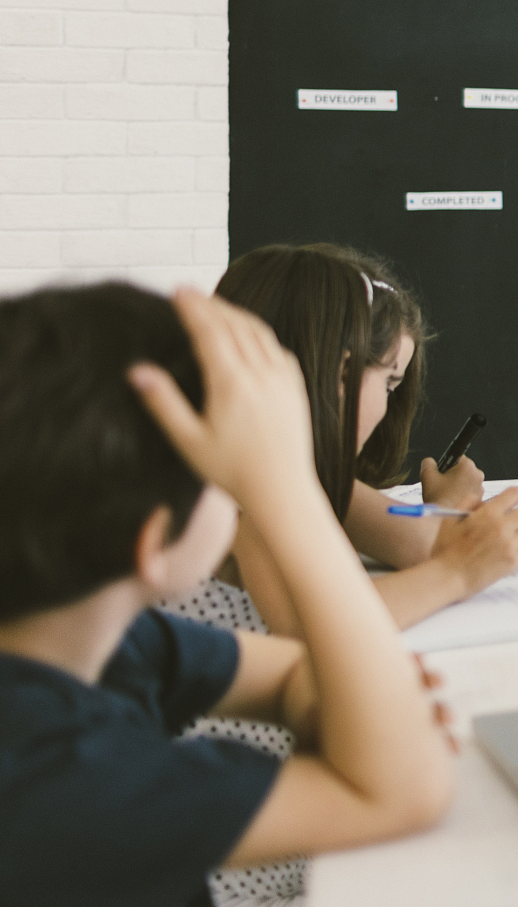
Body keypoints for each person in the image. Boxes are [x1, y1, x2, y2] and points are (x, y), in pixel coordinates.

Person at [0, 283, 453, 906]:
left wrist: (364, 709)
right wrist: (285, 487)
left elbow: (297, 671)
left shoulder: (100, 637)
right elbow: (402, 787)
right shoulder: (63, 780)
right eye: (231, 476)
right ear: (157, 542)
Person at [185, 244, 518, 640]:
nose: (388, 408)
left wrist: (447, 509)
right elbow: (319, 625)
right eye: (389, 383)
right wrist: (456, 573)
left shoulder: (296, 474)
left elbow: (420, 542)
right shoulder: (243, 489)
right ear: (342, 371)